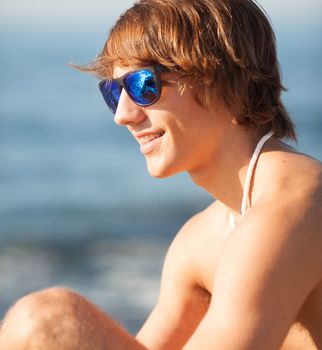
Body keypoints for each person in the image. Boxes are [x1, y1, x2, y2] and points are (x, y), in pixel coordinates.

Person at [0, 0, 321, 349]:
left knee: (46, 320)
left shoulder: (291, 208)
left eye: (142, 85)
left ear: (215, 79)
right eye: (113, 92)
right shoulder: (200, 240)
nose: (122, 115)